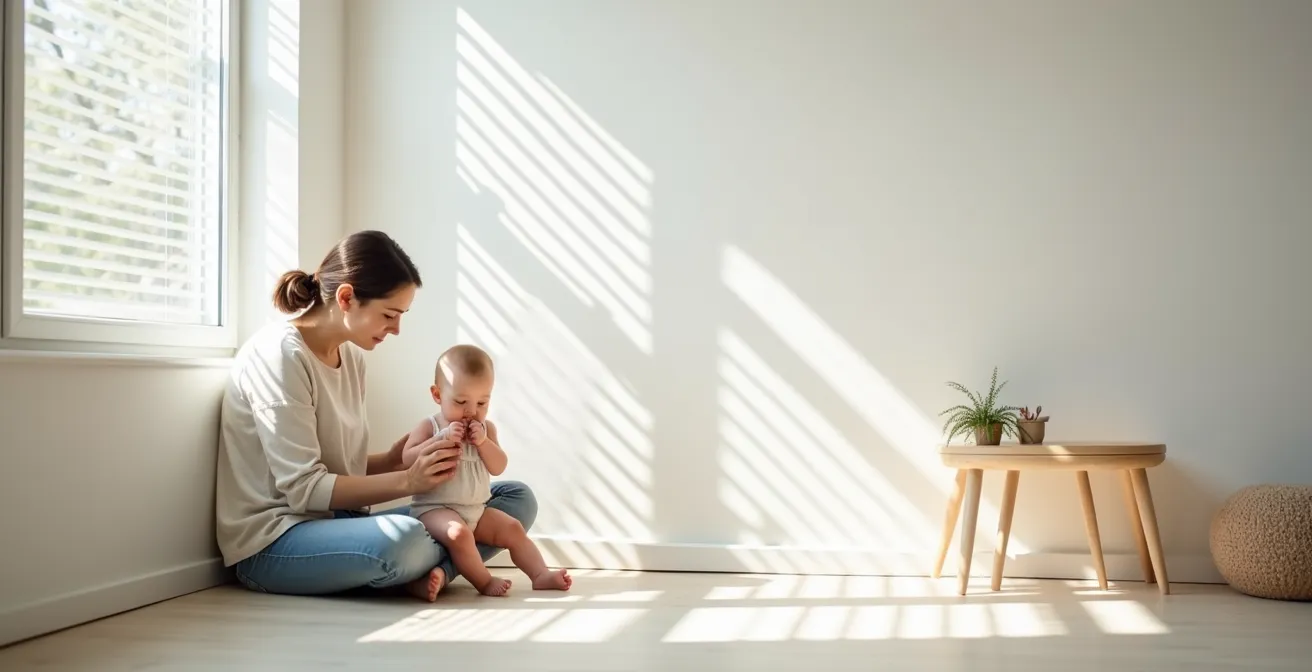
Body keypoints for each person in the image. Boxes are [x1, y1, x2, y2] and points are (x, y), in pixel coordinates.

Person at [214, 230, 539, 602]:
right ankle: (436, 567)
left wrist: (390, 460)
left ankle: (432, 571)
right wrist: (408, 480)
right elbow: (305, 488)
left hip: (342, 520)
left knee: (515, 499)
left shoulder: (351, 357)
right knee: (405, 540)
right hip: (276, 540)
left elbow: (335, 468)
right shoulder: (279, 357)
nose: (396, 329)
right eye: (389, 314)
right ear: (347, 297)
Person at [402, 344, 572, 596]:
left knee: (513, 528)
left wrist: (483, 442)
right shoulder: (431, 426)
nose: (472, 411)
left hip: (476, 511)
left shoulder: (486, 430)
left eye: (482, 402)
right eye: (460, 401)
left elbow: (499, 466)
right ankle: (483, 581)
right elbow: (407, 459)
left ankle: (540, 574)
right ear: (437, 395)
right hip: (434, 509)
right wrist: (441, 439)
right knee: (458, 534)